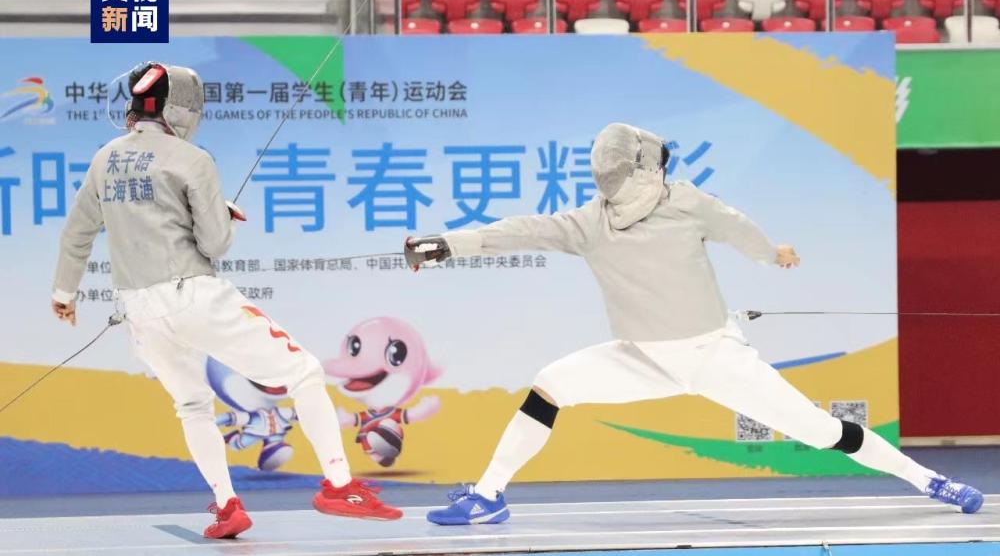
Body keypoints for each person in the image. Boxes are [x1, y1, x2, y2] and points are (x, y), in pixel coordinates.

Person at [404, 122, 984, 526]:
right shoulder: (636, 212)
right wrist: (774, 254)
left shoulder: (607, 218)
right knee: (550, 384)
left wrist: (446, 246)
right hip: (644, 357)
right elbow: (740, 229)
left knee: (823, 431)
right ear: (644, 168)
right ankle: (489, 495)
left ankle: (929, 480)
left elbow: (518, 230)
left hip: (716, 359)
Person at [52, 62, 402, 539]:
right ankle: (340, 487)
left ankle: (226, 506)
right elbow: (214, 244)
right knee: (303, 371)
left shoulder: (105, 158)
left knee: (192, 404)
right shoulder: (192, 159)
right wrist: (219, 215)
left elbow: (77, 232)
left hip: (139, 312)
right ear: (181, 110)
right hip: (193, 296)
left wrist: (65, 293)